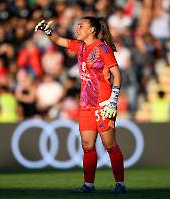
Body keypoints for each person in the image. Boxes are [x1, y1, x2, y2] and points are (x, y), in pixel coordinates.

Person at [35, 17, 125, 193]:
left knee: (110, 145)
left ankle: (120, 184)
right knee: (87, 144)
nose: (77, 28)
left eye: (81, 26)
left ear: (92, 30)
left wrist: (113, 100)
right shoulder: (80, 45)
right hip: (85, 104)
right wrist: (47, 31)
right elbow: (59, 40)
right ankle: (88, 185)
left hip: (102, 103)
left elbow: (117, 75)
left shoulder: (102, 48)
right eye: (77, 25)